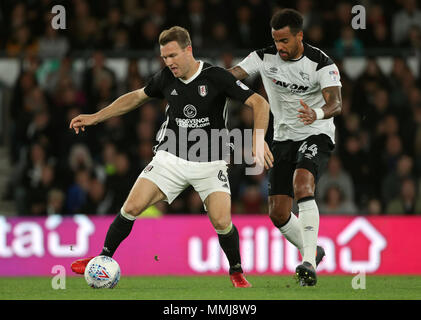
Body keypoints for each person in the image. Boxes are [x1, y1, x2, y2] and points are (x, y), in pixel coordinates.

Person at [69, 26, 273, 288]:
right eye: (165, 57)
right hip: (171, 157)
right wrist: (96, 117)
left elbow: (260, 103)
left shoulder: (216, 77)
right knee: (131, 207)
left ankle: (236, 271)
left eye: (173, 56)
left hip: (210, 162)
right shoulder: (166, 78)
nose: (169, 62)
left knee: (222, 222)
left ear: (189, 49)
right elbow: (136, 98)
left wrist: (257, 139)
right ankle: (102, 258)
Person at [228, 9, 342, 286]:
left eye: (285, 41)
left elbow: (336, 103)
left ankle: (308, 263)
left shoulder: (321, 63)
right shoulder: (263, 57)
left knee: (303, 184)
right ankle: (313, 249)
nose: (280, 47)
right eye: (276, 40)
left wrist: (316, 114)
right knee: (278, 212)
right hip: (282, 138)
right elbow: (233, 75)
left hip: (316, 133)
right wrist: (203, 79)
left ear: (300, 36)